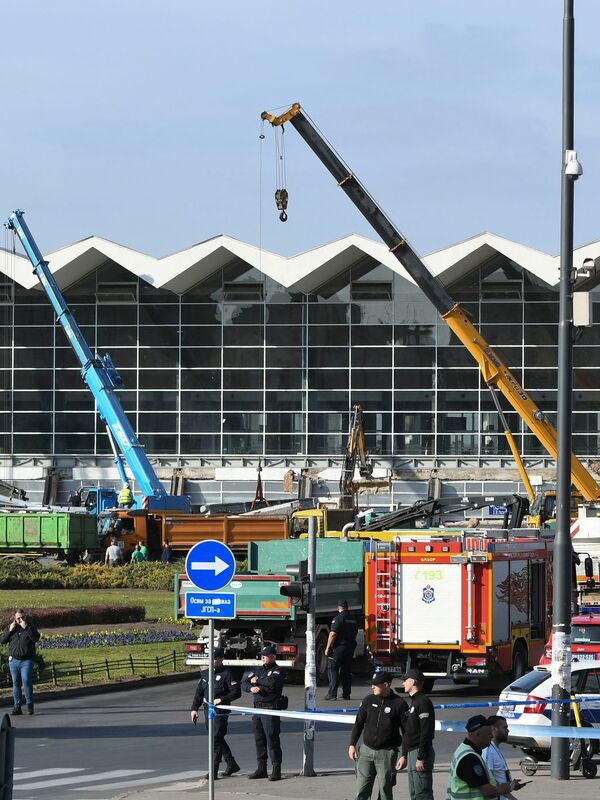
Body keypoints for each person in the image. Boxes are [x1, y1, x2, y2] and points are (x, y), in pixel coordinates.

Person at [348, 671, 408, 800]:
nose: (372, 687)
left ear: (386, 685)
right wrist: (352, 744)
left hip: (387, 754)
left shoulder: (399, 704)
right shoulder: (368, 700)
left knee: (385, 791)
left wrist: (404, 755)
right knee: (362, 790)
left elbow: (406, 732)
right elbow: (358, 723)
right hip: (366, 752)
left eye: (375, 684)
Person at [190, 646, 241, 779]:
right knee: (215, 738)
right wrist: (194, 708)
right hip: (208, 710)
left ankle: (214, 770)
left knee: (216, 738)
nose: (212, 661)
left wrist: (221, 699)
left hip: (220, 711)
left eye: (214, 659)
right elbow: (199, 692)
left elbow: (236, 692)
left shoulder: (227, 673)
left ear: (220, 659)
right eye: (210, 658)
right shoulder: (206, 674)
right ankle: (231, 763)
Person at [447, 715, 525, 800]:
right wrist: (505, 788)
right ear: (478, 734)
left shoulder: (466, 750)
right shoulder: (470, 758)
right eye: (489, 734)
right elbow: (487, 791)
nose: (492, 736)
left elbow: (488, 780)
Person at [242, 645, 285, 782]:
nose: (263, 658)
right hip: (257, 709)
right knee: (259, 739)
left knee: (272, 739)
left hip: (270, 708)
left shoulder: (278, 670)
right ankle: (262, 768)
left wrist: (258, 681)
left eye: (265, 655)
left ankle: (276, 769)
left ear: (273, 656)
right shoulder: (258, 669)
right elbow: (244, 682)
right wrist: (251, 688)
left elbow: (271, 685)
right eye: (262, 655)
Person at [397, 668, 436, 800]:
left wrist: (421, 757)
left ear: (413, 682)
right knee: (415, 794)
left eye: (405, 680)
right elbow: (409, 732)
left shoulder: (423, 702)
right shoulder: (414, 702)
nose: (403, 684)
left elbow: (426, 731)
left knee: (422, 794)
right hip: (412, 752)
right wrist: (404, 755)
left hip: (419, 752)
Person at [0, 609, 40, 715]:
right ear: (15, 618)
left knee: (26, 681)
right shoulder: (10, 627)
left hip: (27, 660)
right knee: (16, 684)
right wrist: (9, 631)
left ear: (25, 617)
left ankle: (29, 705)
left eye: (22, 617)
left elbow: (35, 638)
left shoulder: (30, 627)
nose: (21, 620)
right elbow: (2, 641)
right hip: (14, 661)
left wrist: (26, 627)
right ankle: (17, 707)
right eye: (18, 618)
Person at [324, 598, 358, 700]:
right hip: (350, 647)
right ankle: (346, 694)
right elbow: (355, 632)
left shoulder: (338, 618)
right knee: (346, 671)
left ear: (338, 607)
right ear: (347, 607)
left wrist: (328, 647)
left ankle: (332, 694)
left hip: (338, 648)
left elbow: (333, 634)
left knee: (333, 669)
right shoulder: (353, 618)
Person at [482, 716, 518, 800]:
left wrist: (511, 785)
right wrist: (510, 797)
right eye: (505, 728)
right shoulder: (488, 750)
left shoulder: (495, 748)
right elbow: (489, 780)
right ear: (494, 729)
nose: (507, 731)